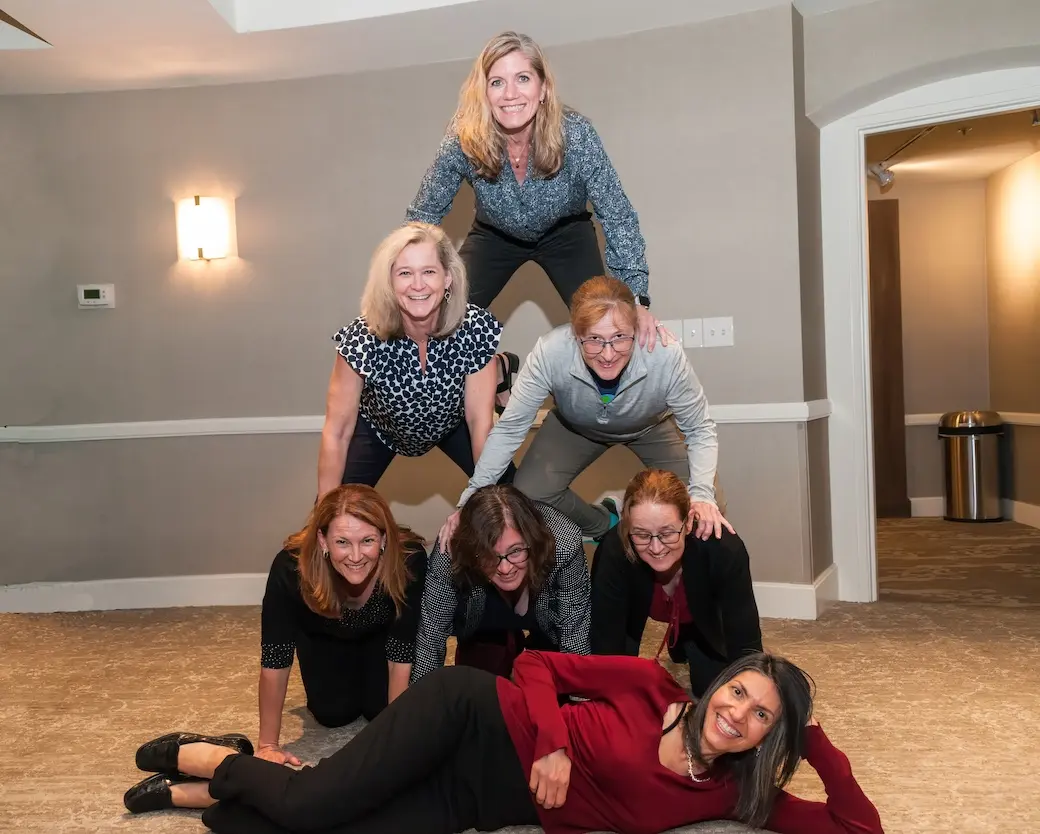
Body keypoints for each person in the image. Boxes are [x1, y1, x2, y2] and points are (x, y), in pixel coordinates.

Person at [122, 651, 884, 834]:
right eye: (741, 691)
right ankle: (212, 756)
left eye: (761, 717)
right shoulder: (654, 687)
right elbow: (535, 665)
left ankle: (202, 797)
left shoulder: (737, 793)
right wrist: (553, 743)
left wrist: (810, 735)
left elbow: (860, 828)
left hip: (478, 799)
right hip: (476, 715)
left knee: (331, 832)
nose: (738, 713)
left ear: (767, 737)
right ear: (719, 683)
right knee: (317, 800)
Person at [406, 30, 671, 350]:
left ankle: (604, 399)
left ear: (543, 88)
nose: (510, 94)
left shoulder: (576, 134)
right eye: (497, 82)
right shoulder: (463, 139)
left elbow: (617, 215)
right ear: (484, 93)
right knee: (441, 321)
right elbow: (424, 214)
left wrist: (637, 300)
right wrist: (411, 278)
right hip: (494, 236)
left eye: (522, 78)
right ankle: (500, 369)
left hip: (566, 234)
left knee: (605, 326)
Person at [440, 274, 730, 546]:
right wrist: (471, 495)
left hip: (650, 426)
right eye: (593, 339)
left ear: (636, 327)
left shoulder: (664, 354)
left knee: (704, 505)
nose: (607, 353)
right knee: (530, 495)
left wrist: (703, 495)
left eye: (619, 337)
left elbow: (700, 428)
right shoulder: (551, 351)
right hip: (575, 427)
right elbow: (510, 428)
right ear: (575, 334)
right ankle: (605, 523)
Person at [316, 221, 516, 499]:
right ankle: (499, 368)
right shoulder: (361, 339)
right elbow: (336, 432)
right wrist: (325, 517)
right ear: (389, 281)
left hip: (452, 419)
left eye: (429, 272)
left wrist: (491, 505)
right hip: (381, 426)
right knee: (336, 510)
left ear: (447, 279)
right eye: (405, 273)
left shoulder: (474, 327)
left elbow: (479, 424)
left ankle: (497, 369)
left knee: (509, 497)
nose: (418, 285)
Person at [255, 485, 427, 765]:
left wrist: (397, 742)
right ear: (323, 541)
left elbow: (401, 652)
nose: (356, 556)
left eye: (368, 541)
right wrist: (268, 745)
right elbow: (276, 657)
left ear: (384, 538)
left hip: (381, 641)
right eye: (343, 542)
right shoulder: (290, 568)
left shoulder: (409, 561)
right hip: (322, 639)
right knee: (332, 715)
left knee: (382, 712)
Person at [590, 468, 763, 696]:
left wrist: (755, 697)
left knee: (712, 692)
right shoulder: (614, 552)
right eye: (641, 535)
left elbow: (745, 641)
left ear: (688, 522)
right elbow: (607, 643)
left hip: (703, 621)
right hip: (638, 618)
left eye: (668, 533)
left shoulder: (723, 549)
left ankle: (683, 638)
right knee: (625, 691)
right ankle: (678, 637)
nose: (656, 548)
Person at [411, 483, 590, 682]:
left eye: (515, 551)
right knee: (479, 688)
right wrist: (421, 706)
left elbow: (574, 634)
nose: (505, 569)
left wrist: (580, 702)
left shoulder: (564, 542)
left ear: (533, 541)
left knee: (553, 684)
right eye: (489, 555)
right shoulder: (452, 548)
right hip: (483, 617)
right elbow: (431, 635)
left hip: (545, 622)